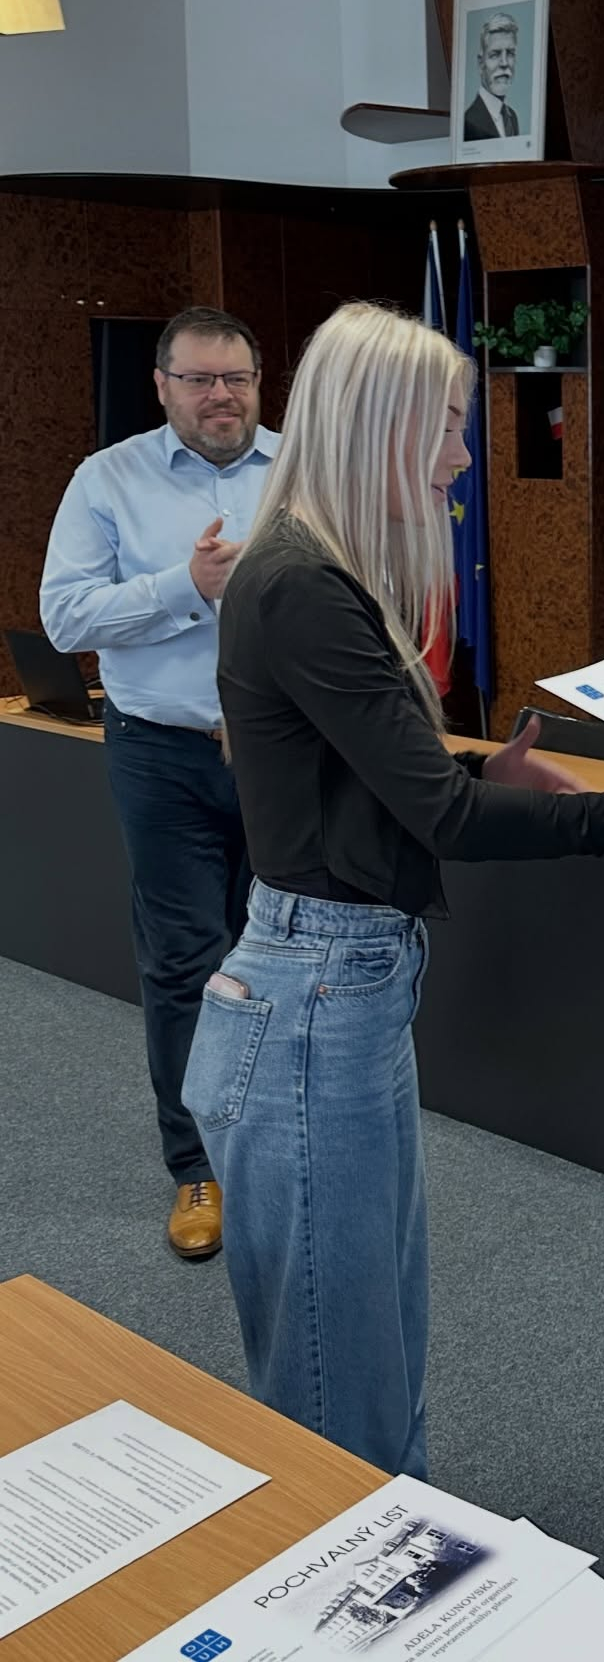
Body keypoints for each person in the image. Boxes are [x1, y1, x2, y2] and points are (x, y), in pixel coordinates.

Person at [183, 301, 604, 1478]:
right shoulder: (301, 584)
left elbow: (386, 781)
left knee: (370, 1346)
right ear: (378, 425)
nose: (459, 458)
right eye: (446, 426)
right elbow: (443, 822)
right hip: (313, 997)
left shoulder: (316, 572)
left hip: (338, 986)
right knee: (342, 1394)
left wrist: (481, 773)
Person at [40, 305, 274, 1261]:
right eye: (200, 379)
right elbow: (65, 618)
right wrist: (188, 587)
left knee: (279, 960)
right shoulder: (108, 479)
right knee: (185, 963)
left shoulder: (303, 473)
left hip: (282, 754)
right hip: (161, 754)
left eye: (237, 379)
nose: (222, 396)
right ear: (163, 386)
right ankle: (198, 1167)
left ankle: (270, 1151)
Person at [462, 12, 521, 140]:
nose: (504, 63)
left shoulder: (512, 117)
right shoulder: (467, 122)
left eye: (510, 53)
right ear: (481, 63)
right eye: (495, 54)